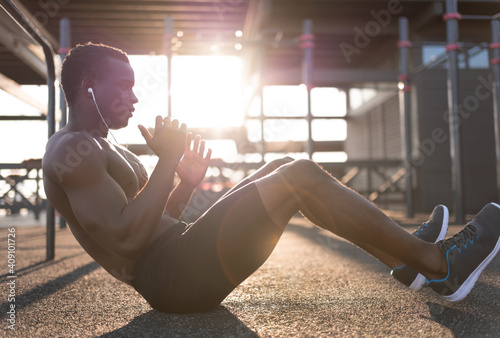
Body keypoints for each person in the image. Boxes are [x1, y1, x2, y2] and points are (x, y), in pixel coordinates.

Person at [43, 42, 500, 314]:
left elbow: (147, 221)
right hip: (171, 279)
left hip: (175, 257)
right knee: (298, 176)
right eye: (122, 85)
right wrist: (165, 162)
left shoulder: (104, 145)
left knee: (278, 170)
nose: (134, 96)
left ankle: (403, 259)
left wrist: (183, 181)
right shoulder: (70, 152)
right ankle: (440, 265)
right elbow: (125, 241)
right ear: (88, 87)